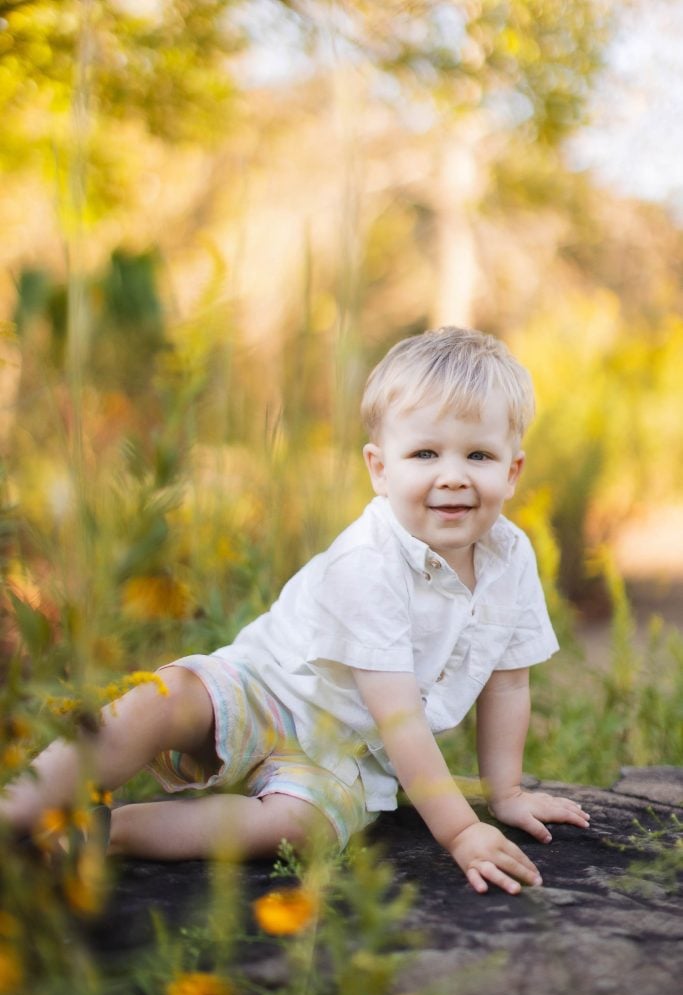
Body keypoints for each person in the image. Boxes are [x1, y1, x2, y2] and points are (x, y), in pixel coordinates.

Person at [1, 326, 589, 895]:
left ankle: (107, 833)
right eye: (426, 452)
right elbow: (399, 716)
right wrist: (461, 830)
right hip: (268, 689)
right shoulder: (367, 563)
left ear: (512, 471)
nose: (453, 476)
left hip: (348, 755)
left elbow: (508, 686)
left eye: (479, 454)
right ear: (380, 469)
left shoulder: (511, 558)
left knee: (301, 830)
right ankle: (20, 808)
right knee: (169, 698)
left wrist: (504, 794)